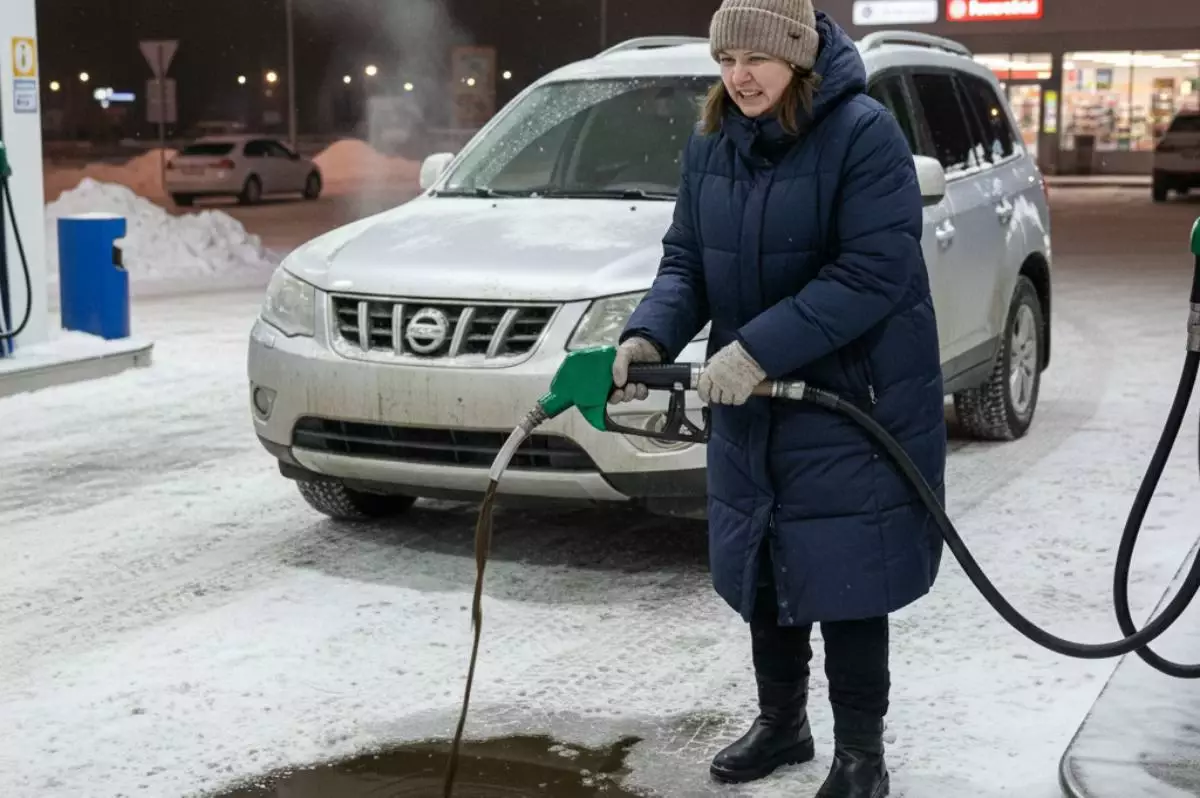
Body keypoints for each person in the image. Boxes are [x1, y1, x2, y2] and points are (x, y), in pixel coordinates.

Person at [610, 1, 947, 796]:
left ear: (798, 58)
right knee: (766, 567)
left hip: (850, 399)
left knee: (850, 577)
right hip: (753, 398)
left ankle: (861, 755)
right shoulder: (713, 141)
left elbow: (872, 272)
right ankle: (783, 723)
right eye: (726, 61)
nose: (739, 77)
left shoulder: (863, 134)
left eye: (756, 60)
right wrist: (649, 335)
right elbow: (687, 258)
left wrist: (759, 347)